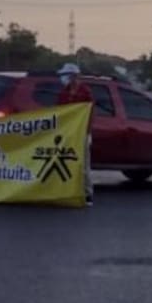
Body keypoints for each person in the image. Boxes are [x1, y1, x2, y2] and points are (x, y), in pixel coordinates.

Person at [56, 63, 94, 206]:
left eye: (65, 75)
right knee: (67, 163)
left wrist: (88, 133)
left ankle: (87, 193)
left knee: (84, 165)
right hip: (67, 133)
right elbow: (60, 111)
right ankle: (68, 191)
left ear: (74, 76)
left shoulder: (85, 92)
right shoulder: (64, 92)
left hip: (82, 132)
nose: (63, 78)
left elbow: (89, 113)